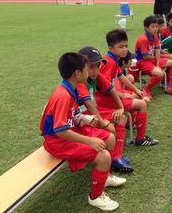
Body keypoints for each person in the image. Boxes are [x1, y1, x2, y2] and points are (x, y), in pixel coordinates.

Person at [39, 52, 125, 211]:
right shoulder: (62, 95)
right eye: (86, 69)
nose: (90, 72)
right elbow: (59, 130)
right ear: (78, 73)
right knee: (103, 155)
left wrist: (82, 119)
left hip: (70, 131)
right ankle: (95, 197)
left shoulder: (69, 87)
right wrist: (90, 141)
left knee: (110, 138)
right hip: (58, 142)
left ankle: (104, 177)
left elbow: (69, 115)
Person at [97, 29, 159, 146]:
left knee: (137, 95)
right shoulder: (110, 62)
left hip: (110, 95)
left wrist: (135, 89)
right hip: (106, 99)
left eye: (126, 46)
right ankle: (140, 139)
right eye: (120, 47)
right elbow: (103, 86)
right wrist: (120, 95)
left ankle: (131, 123)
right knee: (142, 104)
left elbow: (120, 75)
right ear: (111, 48)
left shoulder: (113, 59)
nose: (125, 49)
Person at [77, 46, 134, 173]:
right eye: (91, 67)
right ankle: (108, 161)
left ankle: (116, 157)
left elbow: (110, 89)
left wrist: (120, 107)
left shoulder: (96, 75)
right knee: (110, 128)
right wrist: (102, 122)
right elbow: (88, 103)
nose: (95, 70)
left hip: (90, 112)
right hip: (80, 115)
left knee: (121, 117)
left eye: (97, 66)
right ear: (80, 67)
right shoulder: (79, 80)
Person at [134, 16, 172, 98]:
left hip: (152, 59)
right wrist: (157, 60)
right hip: (143, 62)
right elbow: (145, 57)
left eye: (156, 26)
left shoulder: (155, 36)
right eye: (152, 26)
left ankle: (170, 87)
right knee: (160, 74)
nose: (155, 29)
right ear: (146, 27)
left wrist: (158, 65)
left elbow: (157, 51)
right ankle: (146, 89)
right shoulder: (143, 39)